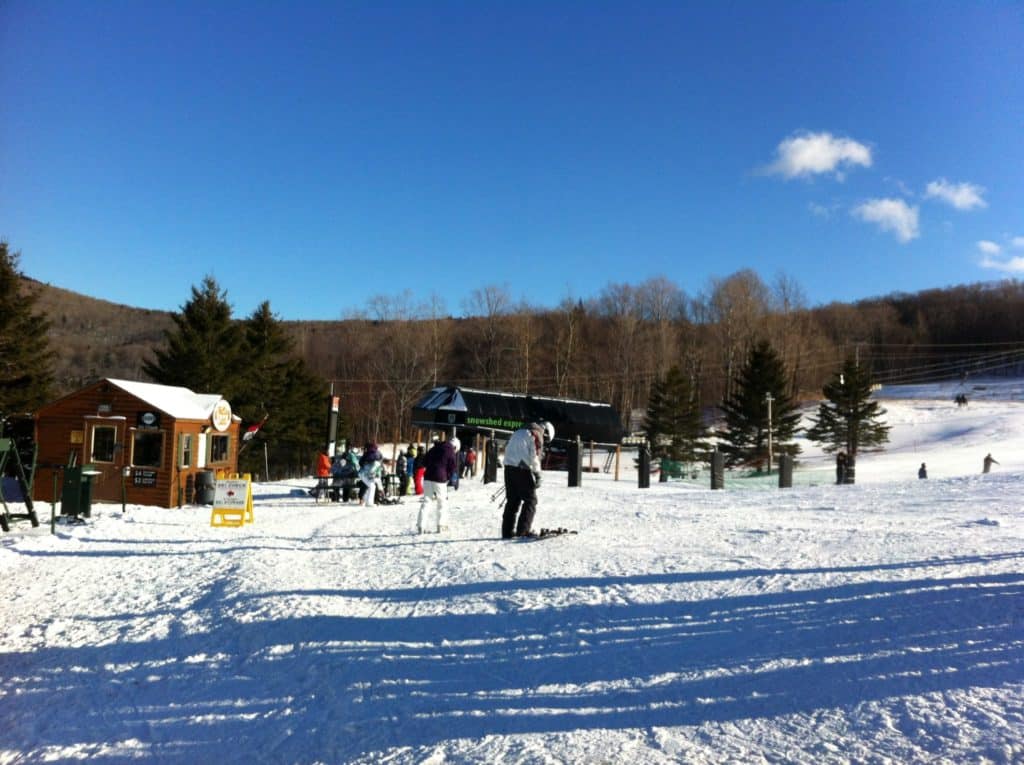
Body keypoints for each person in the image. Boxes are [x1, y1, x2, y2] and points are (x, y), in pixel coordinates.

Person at [501, 421, 554, 539]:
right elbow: (534, 457)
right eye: (546, 439)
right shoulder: (536, 434)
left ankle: (507, 532)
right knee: (531, 500)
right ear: (546, 432)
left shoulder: (518, 432)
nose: (544, 441)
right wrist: (538, 474)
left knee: (512, 501)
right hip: (521, 469)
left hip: (509, 468)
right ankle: (523, 531)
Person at [418, 437, 458, 533]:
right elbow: (452, 467)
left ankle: (421, 526)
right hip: (440, 478)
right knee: (442, 502)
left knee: (426, 501)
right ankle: (441, 525)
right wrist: (447, 477)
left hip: (428, 477)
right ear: (455, 447)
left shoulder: (434, 448)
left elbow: (424, 461)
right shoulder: (450, 450)